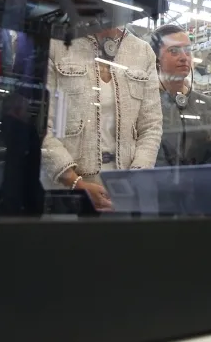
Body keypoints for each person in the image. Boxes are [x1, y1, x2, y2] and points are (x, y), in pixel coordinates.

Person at [41, 26, 163, 211]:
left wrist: (136, 179)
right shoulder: (57, 45)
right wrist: (76, 184)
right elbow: (42, 125)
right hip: (65, 193)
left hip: (125, 194)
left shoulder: (143, 51)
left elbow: (151, 126)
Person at [149, 24, 211, 167]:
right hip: (157, 183)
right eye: (174, 51)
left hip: (198, 185)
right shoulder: (146, 100)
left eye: (188, 51)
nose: (184, 57)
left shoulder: (206, 104)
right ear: (156, 57)